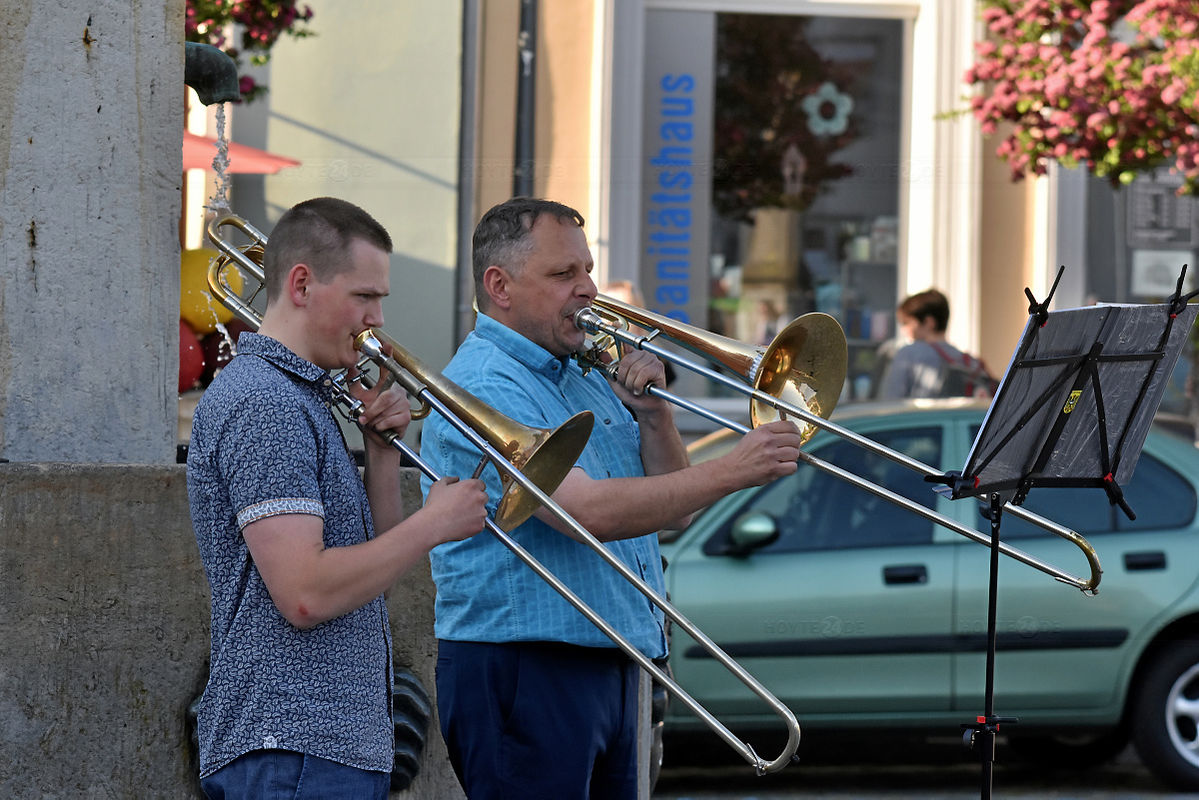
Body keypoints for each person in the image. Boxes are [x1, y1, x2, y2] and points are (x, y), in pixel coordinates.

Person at [420, 197, 804, 799]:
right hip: (527, 665)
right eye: (563, 274)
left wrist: (656, 418)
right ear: (500, 286)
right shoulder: (483, 384)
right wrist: (733, 469)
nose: (589, 289)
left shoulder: (582, 372)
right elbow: (585, 513)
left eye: (588, 270)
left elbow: (674, 510)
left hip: (614, 655)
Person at [186, 197, 489, 799]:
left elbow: (370, 568)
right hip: (293, 745)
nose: (377, 319)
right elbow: (305, 594)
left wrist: (380, 454)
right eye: (364, 297)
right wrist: (433, 524)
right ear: (302, 284)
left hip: (325, 745)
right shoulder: (265, 405)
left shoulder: (303, 397)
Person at [879, 288, 994, 399]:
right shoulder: (971, 362)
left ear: (929, 322)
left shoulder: (908, 354)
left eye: (906, 323)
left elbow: (890, 403)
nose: (904, 330)